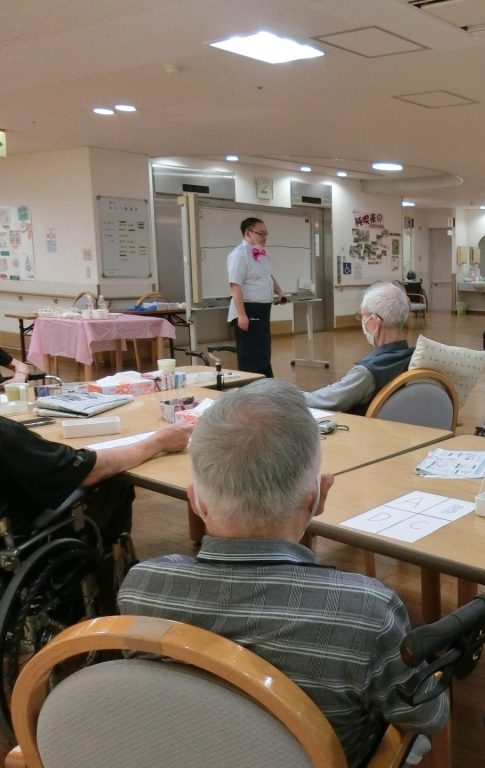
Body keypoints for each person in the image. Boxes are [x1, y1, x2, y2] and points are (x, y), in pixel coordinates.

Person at [118, 380, 449, 768]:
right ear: (318, 496)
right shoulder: (367, 612)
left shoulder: (141, 588)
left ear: (195, 501)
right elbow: (426, 717)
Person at [0, 417, 191, 543]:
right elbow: (87, 470)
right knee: (113, 480)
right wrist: (158, 442)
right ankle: (111, 569)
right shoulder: (5, 434)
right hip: (20, 531)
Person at [304, 282, 413, 414]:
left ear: (375, 321)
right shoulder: (414, 358)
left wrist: (289, 395)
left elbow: (323, 401)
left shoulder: (369, 371)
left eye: (362, 316)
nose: (362, 322)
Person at [227, 217, 287, 377]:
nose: (265, 237)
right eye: (261, 233)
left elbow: (267, 276)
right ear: (248, 233)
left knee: (263, 349)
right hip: (248, 308)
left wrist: (279, 291)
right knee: (250, 353)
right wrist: (241, 315)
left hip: (262, 309)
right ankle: (251, 385)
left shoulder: (260, 253)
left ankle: (266, 383)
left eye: (266, 233)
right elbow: (235, 285)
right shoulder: (239, 255)